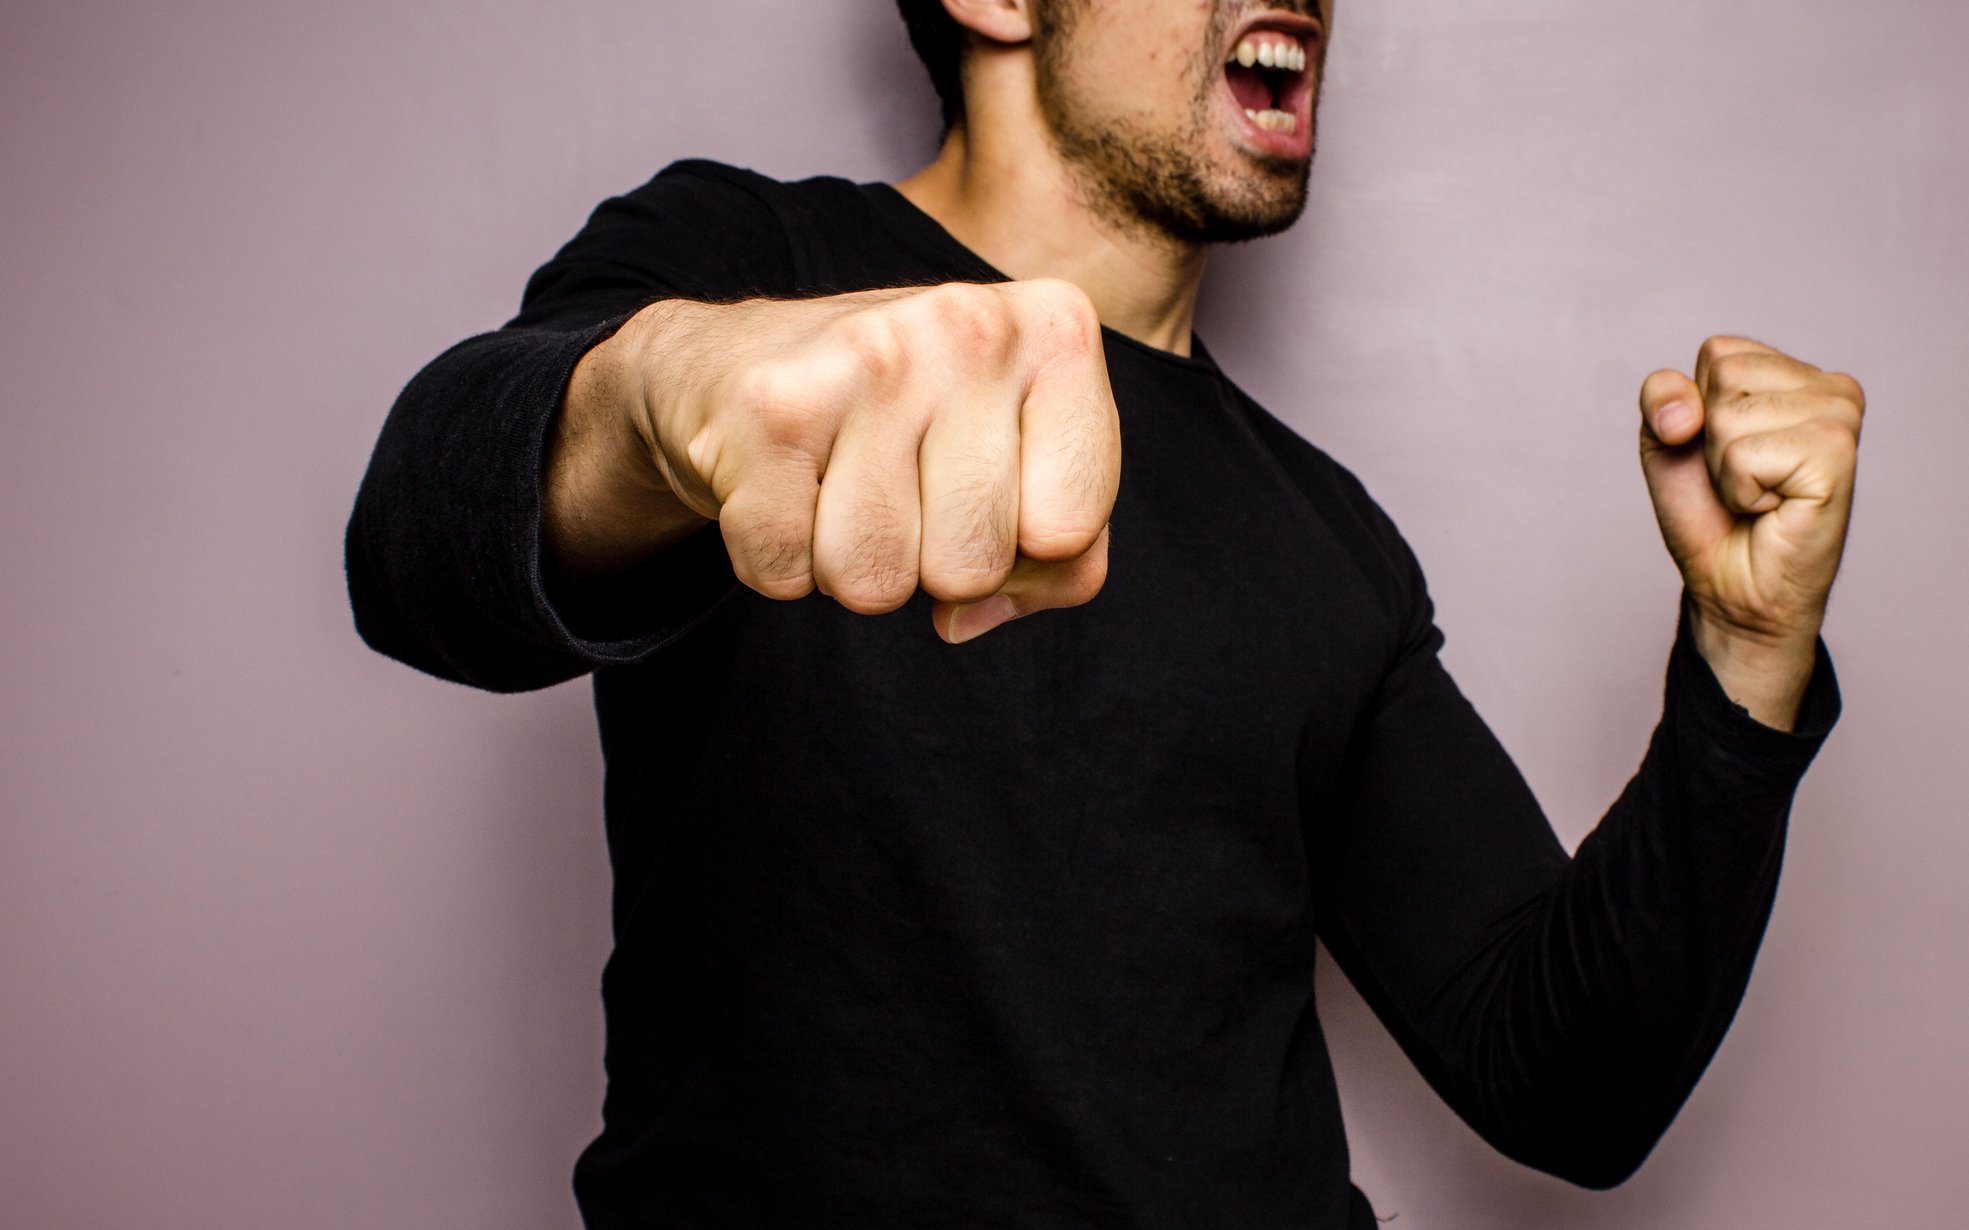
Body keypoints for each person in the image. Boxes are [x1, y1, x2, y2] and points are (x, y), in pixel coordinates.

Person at [345, 0, 1863, 1225]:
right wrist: (666, 395)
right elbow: (418, 548)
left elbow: (1566, 1083)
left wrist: (1741, 666)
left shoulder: (1329, 536)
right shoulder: (752, 274)